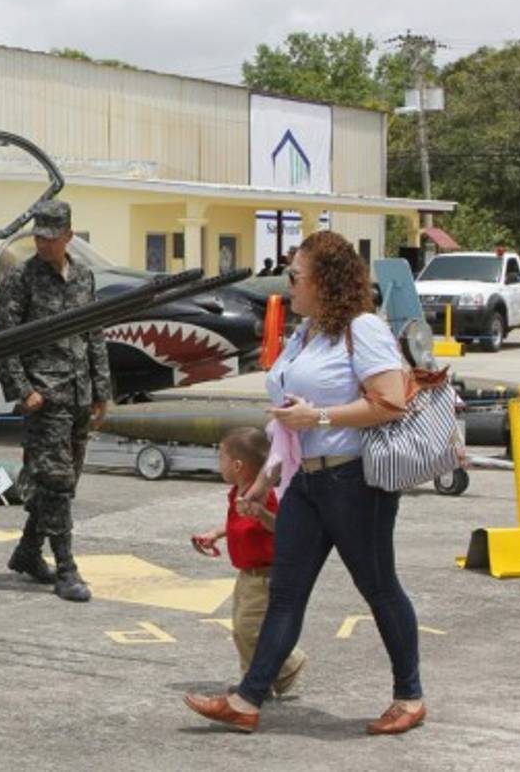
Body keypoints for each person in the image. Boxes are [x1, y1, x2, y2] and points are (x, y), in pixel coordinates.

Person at [184, 230, 424, 735]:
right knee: (286, 593)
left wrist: (321, 419)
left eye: (295, 275)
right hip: (306, 484)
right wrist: (265, 478)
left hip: (355, 483)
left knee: (378, 588)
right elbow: (286, 421)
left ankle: (409, 695)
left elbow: (389, 401)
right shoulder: (307, 332)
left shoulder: (364, 330)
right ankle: (248, 701)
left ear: (326, 281)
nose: (287, 283)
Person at [0, 199, 111, 603]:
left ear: (68, 236)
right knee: (57, 483)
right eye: (38, 237)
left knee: (63, 482)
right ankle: (66, 569)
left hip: (78, 393)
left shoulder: (83, 277)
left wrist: (102, 391)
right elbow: (3, 342)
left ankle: (28, 552)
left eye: (51, 237)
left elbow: (93, 334)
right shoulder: (20, 279)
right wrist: (22, 390)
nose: (43, 244)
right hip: (43, 398)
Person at [191, 427, 306, 696]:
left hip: (265, 575)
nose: (218, 465)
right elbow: (235, 523)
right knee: (241, 629)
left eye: (221, 458)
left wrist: (261, 514)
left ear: (238, 465)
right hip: (246, 573)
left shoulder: (264, 496)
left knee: (249, 629)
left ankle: (289, 664)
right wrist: (216, 534)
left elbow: (281, 527)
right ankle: (255, 680)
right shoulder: (236, 492)